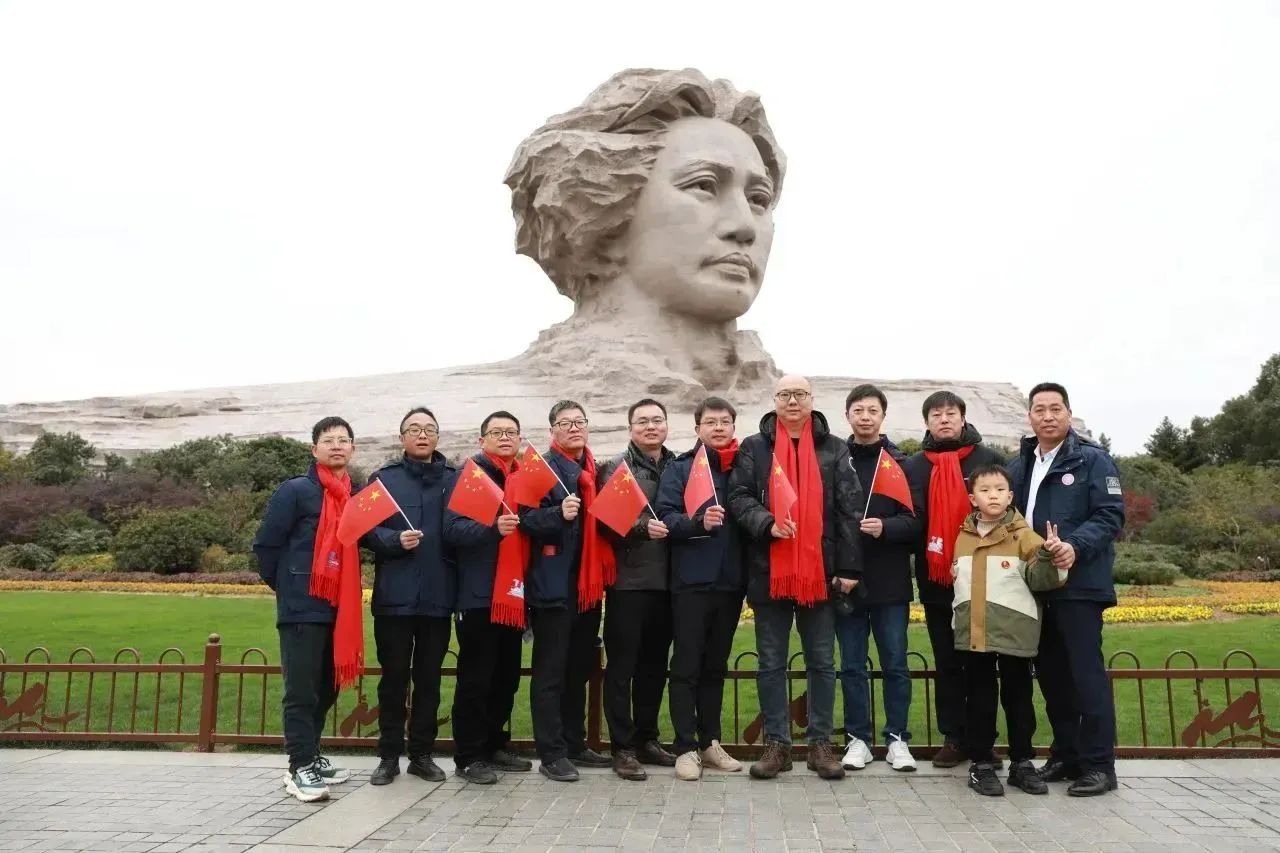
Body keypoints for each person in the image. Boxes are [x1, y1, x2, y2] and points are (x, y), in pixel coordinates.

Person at [728, 375, 862, 781]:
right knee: (770, 662)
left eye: (799, 394)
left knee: (822, 661)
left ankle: (820, 745)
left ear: (811, 400)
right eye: (785, 394)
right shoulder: (755, 447)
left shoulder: (834, 448)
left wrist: (849, 568)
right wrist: (766, 522)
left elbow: (849, 509)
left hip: (819, 572)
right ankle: (777, 745)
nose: (792, 401)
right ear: (774, 400)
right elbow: (738, 497)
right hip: (769, 570)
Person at [1007, 382, 1125, 797]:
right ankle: (1067, 755)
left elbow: (1110, 515)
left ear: (1068, 414)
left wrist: (1074, 546)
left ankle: (1099, 765)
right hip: (1037, 588)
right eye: (1039, 409)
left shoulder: (1093, 460)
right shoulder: (1020, 465)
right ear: (1029, 417)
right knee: (1053, 677)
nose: (1047, 416)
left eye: (1055, 408)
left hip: (1080, 585)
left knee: (1085, 675)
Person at [252, 416, 359, 802]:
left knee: (328, 685)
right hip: (302, 606)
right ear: (314, 449)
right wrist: (289, 586)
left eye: (343, 440)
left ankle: (311, 754)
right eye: (328, 440)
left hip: (339, 606)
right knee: (301, 690)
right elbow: (266, 546)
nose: (336, 446)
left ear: (352, 449)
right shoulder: (296, 490)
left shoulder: (354, 495)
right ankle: (299, 767)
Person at [902, 391, 1006, 768]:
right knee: (946, 662)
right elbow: (910, 521)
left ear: (963, 418)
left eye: (950, 413)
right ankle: (953, 737)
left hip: (983, 579)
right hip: (937, 581)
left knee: (981, 662)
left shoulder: (989, 461)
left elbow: (1006, 514)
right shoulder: (914, 466)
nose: (944, 419)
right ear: (927, 422)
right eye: (936, 414)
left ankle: (983, 742)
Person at [951, 465, 1065, 797]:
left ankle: (1022, 763)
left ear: (1010, 496)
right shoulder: (963, 536)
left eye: (1000, 490)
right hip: (975, 634)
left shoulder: (1026, 536)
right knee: (980, 700)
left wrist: (1049, 554)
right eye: (985, 490)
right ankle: (981, 764)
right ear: (973, 498)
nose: (993, 496)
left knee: (1019, 700)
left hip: (1015, 633)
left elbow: (1045, 581)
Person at [363, 407, 457, 786]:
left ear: (437, 437)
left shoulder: (455, 479)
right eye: (414, 429)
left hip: (438, 595)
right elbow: (365, 530)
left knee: (429, 680)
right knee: (394, 679)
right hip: (395, 598)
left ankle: (421, 754)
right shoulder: (383, 479)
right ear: (401, 438)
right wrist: (393, 540)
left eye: (429, 429)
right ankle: (388, 756)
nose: (422, 435)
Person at [520, 400, 613, 781]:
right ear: (552, 431)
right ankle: (551, 752)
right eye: (565, 423)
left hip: (588, 586)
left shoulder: (595, 471)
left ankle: (574, 743)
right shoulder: (541, 469)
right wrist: (557, 514)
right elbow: (524, 518)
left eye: (579, 422)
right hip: (553, 584)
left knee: (578, 669)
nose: (574, 428)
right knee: (551, 671)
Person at [656, 396, 747, 781]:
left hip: (731, 582)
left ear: (733, 426)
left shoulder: (744, 468)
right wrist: (698, 522)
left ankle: (710, 742)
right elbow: (665, 517)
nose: (718, 427)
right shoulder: (681, 469)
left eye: (725, 421)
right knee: (686, 665)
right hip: (691, 582)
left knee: (715, 666)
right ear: (697, 429)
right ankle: (685, 747)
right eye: (711, 422)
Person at [443, 411, 535, 784]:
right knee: (476, 679)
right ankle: (468, 756)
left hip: (514, 593)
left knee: (506, 678)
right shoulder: (472, 476)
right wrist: (492, 529)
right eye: (496, 432)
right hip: (479, 594)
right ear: (482, 440)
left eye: (511, 432)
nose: (505, 437)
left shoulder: (525, 477)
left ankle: (495, 744)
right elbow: (453, 530)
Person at [836, 385, 921, 772]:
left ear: (883, 416)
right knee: (852, 665)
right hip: (846, 581)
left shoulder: (901, 464)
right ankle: (858, 739)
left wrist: (886, 527)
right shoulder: (835, 460)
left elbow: (916, 522)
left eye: (872, 410)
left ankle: (897, 738)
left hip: (889, 581)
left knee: (895, 664)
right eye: (858, 410)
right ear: (848, 416)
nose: (865, 417)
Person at [598, 398, 677, 780]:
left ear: (666, 425)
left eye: (657, 420)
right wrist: (642, 528)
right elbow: (604, 523)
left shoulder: (679, 466)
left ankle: (647, 738)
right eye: (642, 421)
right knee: (622, 669)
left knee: (654, 668)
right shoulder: (616, 467)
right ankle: (623, 747)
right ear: (631, 428)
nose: (650, 426)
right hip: (628, 583)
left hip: (669, 583)